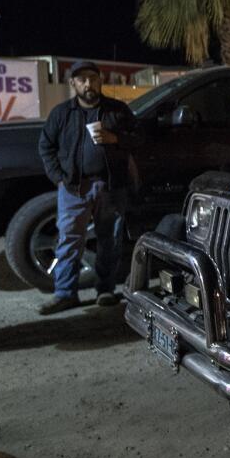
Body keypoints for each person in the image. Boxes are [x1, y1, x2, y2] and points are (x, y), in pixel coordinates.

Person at [37, 61, 140, 314]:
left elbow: (140, 138)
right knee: (69, 240)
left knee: (109, 241)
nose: (88, 84)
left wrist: (115, 138)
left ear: (100, 81)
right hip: (74, 188)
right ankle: (65, 294)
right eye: (81, 80)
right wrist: (60, 178)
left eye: (92, 78)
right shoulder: (62, 114)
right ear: (72, 83)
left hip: (110, 186)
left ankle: (105, 290)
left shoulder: (117, 110)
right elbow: (46, 147)